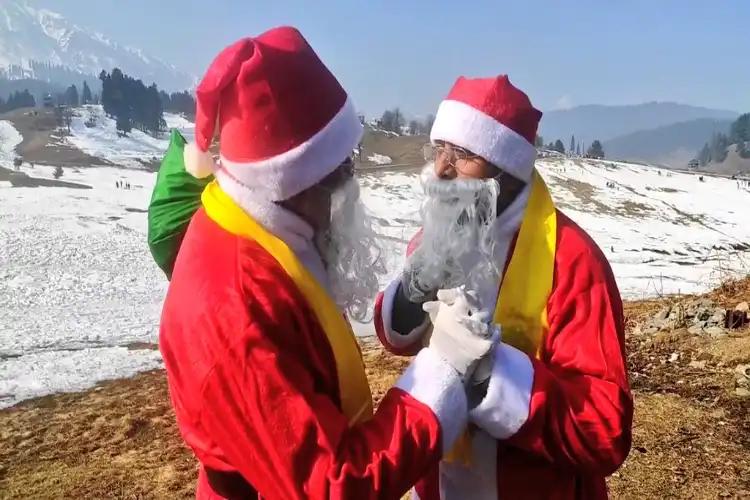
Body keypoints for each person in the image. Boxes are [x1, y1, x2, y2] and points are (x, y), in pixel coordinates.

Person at [159, 27, 498, 500]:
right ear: (294, 179)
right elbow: (332, 485)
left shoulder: (263, 229)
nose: (351, 182)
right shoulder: (236, 306)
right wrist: (442, 372)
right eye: (340, 170)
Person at [373, 75, 633, 499]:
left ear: (507, 169)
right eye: (439, 148)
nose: (441, 168)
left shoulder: (571, 260)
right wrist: (412, 289)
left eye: (463, 153)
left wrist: (488, 373)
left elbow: (604, 431)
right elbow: (397, 338)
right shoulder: (437, 234)